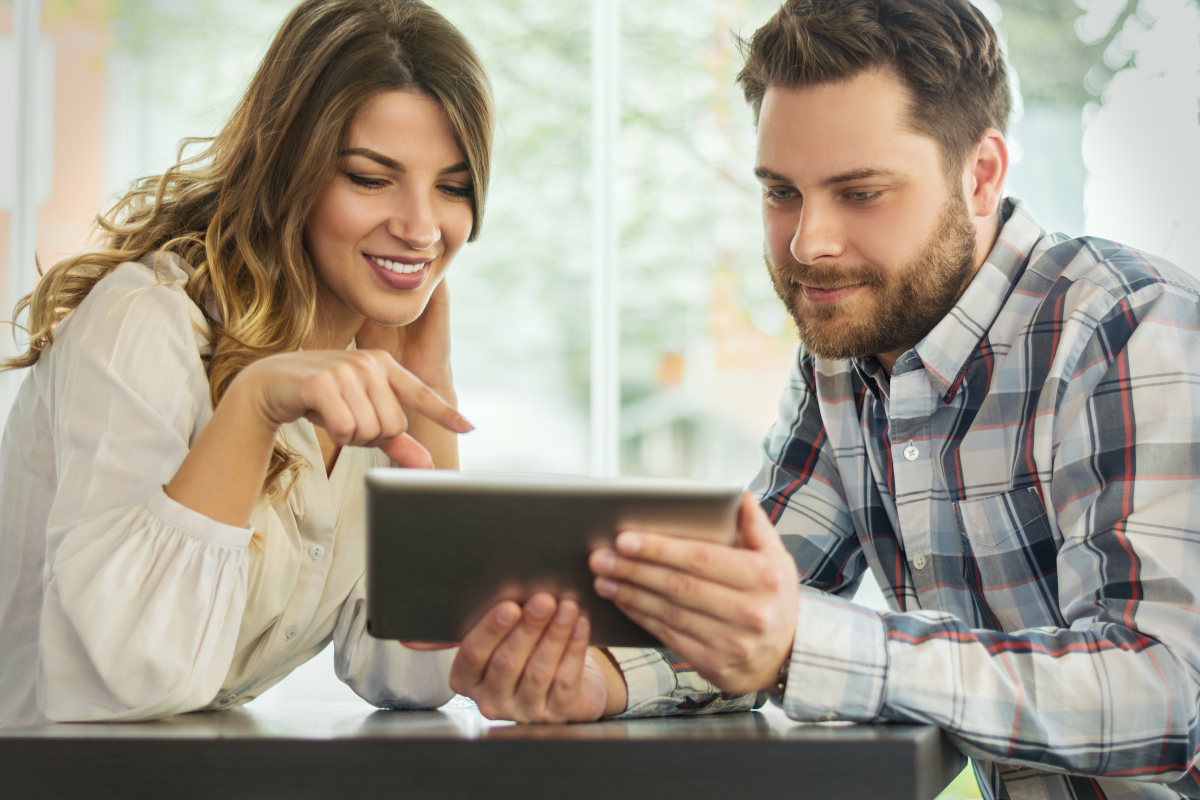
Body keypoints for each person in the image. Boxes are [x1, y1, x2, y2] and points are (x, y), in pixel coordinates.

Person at [453, 1, 1200, 797]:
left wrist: (804, 645)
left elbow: (1163, 694)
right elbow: (764, 593)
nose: (809, 243)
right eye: (781, 193)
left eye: (861, 193)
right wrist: (599, 678)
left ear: (980, 175)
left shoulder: (1127, 327)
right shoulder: (846, 354)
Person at [0, 0, 514, 728]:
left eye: (454, 187)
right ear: (291, 168)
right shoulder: (145, 321)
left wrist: (432, 393)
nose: (422, 226)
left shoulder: (370, 362)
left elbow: (416, 663)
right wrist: (252, 404)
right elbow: (130, 677)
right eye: (371, 177)